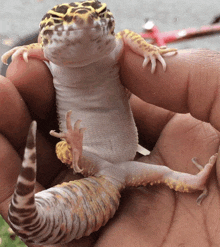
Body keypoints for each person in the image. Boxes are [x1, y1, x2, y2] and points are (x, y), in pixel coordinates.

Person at [0, 46, 220, 247]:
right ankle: (196, 181)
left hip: (108, 177)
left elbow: (73, 160)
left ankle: (196, 181)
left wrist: (74, 147)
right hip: (113, 177)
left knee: (163, 173)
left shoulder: (98, 171)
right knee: (164, 174)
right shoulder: (105, 173)